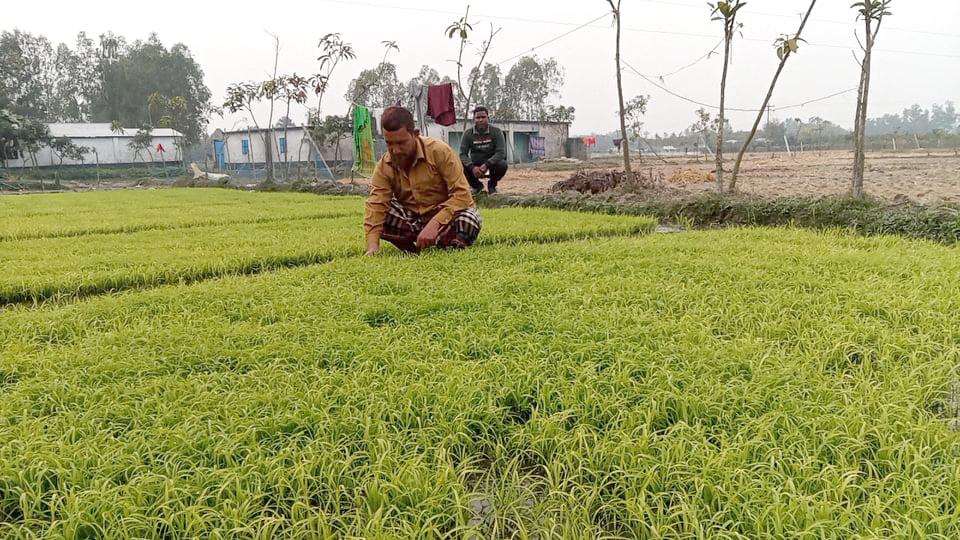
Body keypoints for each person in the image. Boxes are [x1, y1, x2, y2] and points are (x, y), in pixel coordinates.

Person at [364, 106, 483, 256]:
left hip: (446, 219)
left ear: (415, 134)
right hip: (413, 222)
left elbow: (462, 195)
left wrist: (435, 222)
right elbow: (377, 205)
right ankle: (414, 250)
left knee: (469, 219)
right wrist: (372, 247)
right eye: (389, 143)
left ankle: (447, 247)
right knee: (383, 213)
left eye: (401, 143)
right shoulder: (384, 166)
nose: (395, 150)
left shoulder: (440, 152)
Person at [459, 106, 508, 195]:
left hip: (492, 164)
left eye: (483, 117)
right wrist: (472, 167)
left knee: (503, 164)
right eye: (478, 118)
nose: (480, 120)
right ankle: (477, 187)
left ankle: (492, 186)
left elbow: (501, 153)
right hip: (475, 165)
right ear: (474, 119)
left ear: (488, 118)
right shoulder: (467, 134)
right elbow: (462, 154)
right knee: (459, 164)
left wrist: (486, 165)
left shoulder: (496, 132)